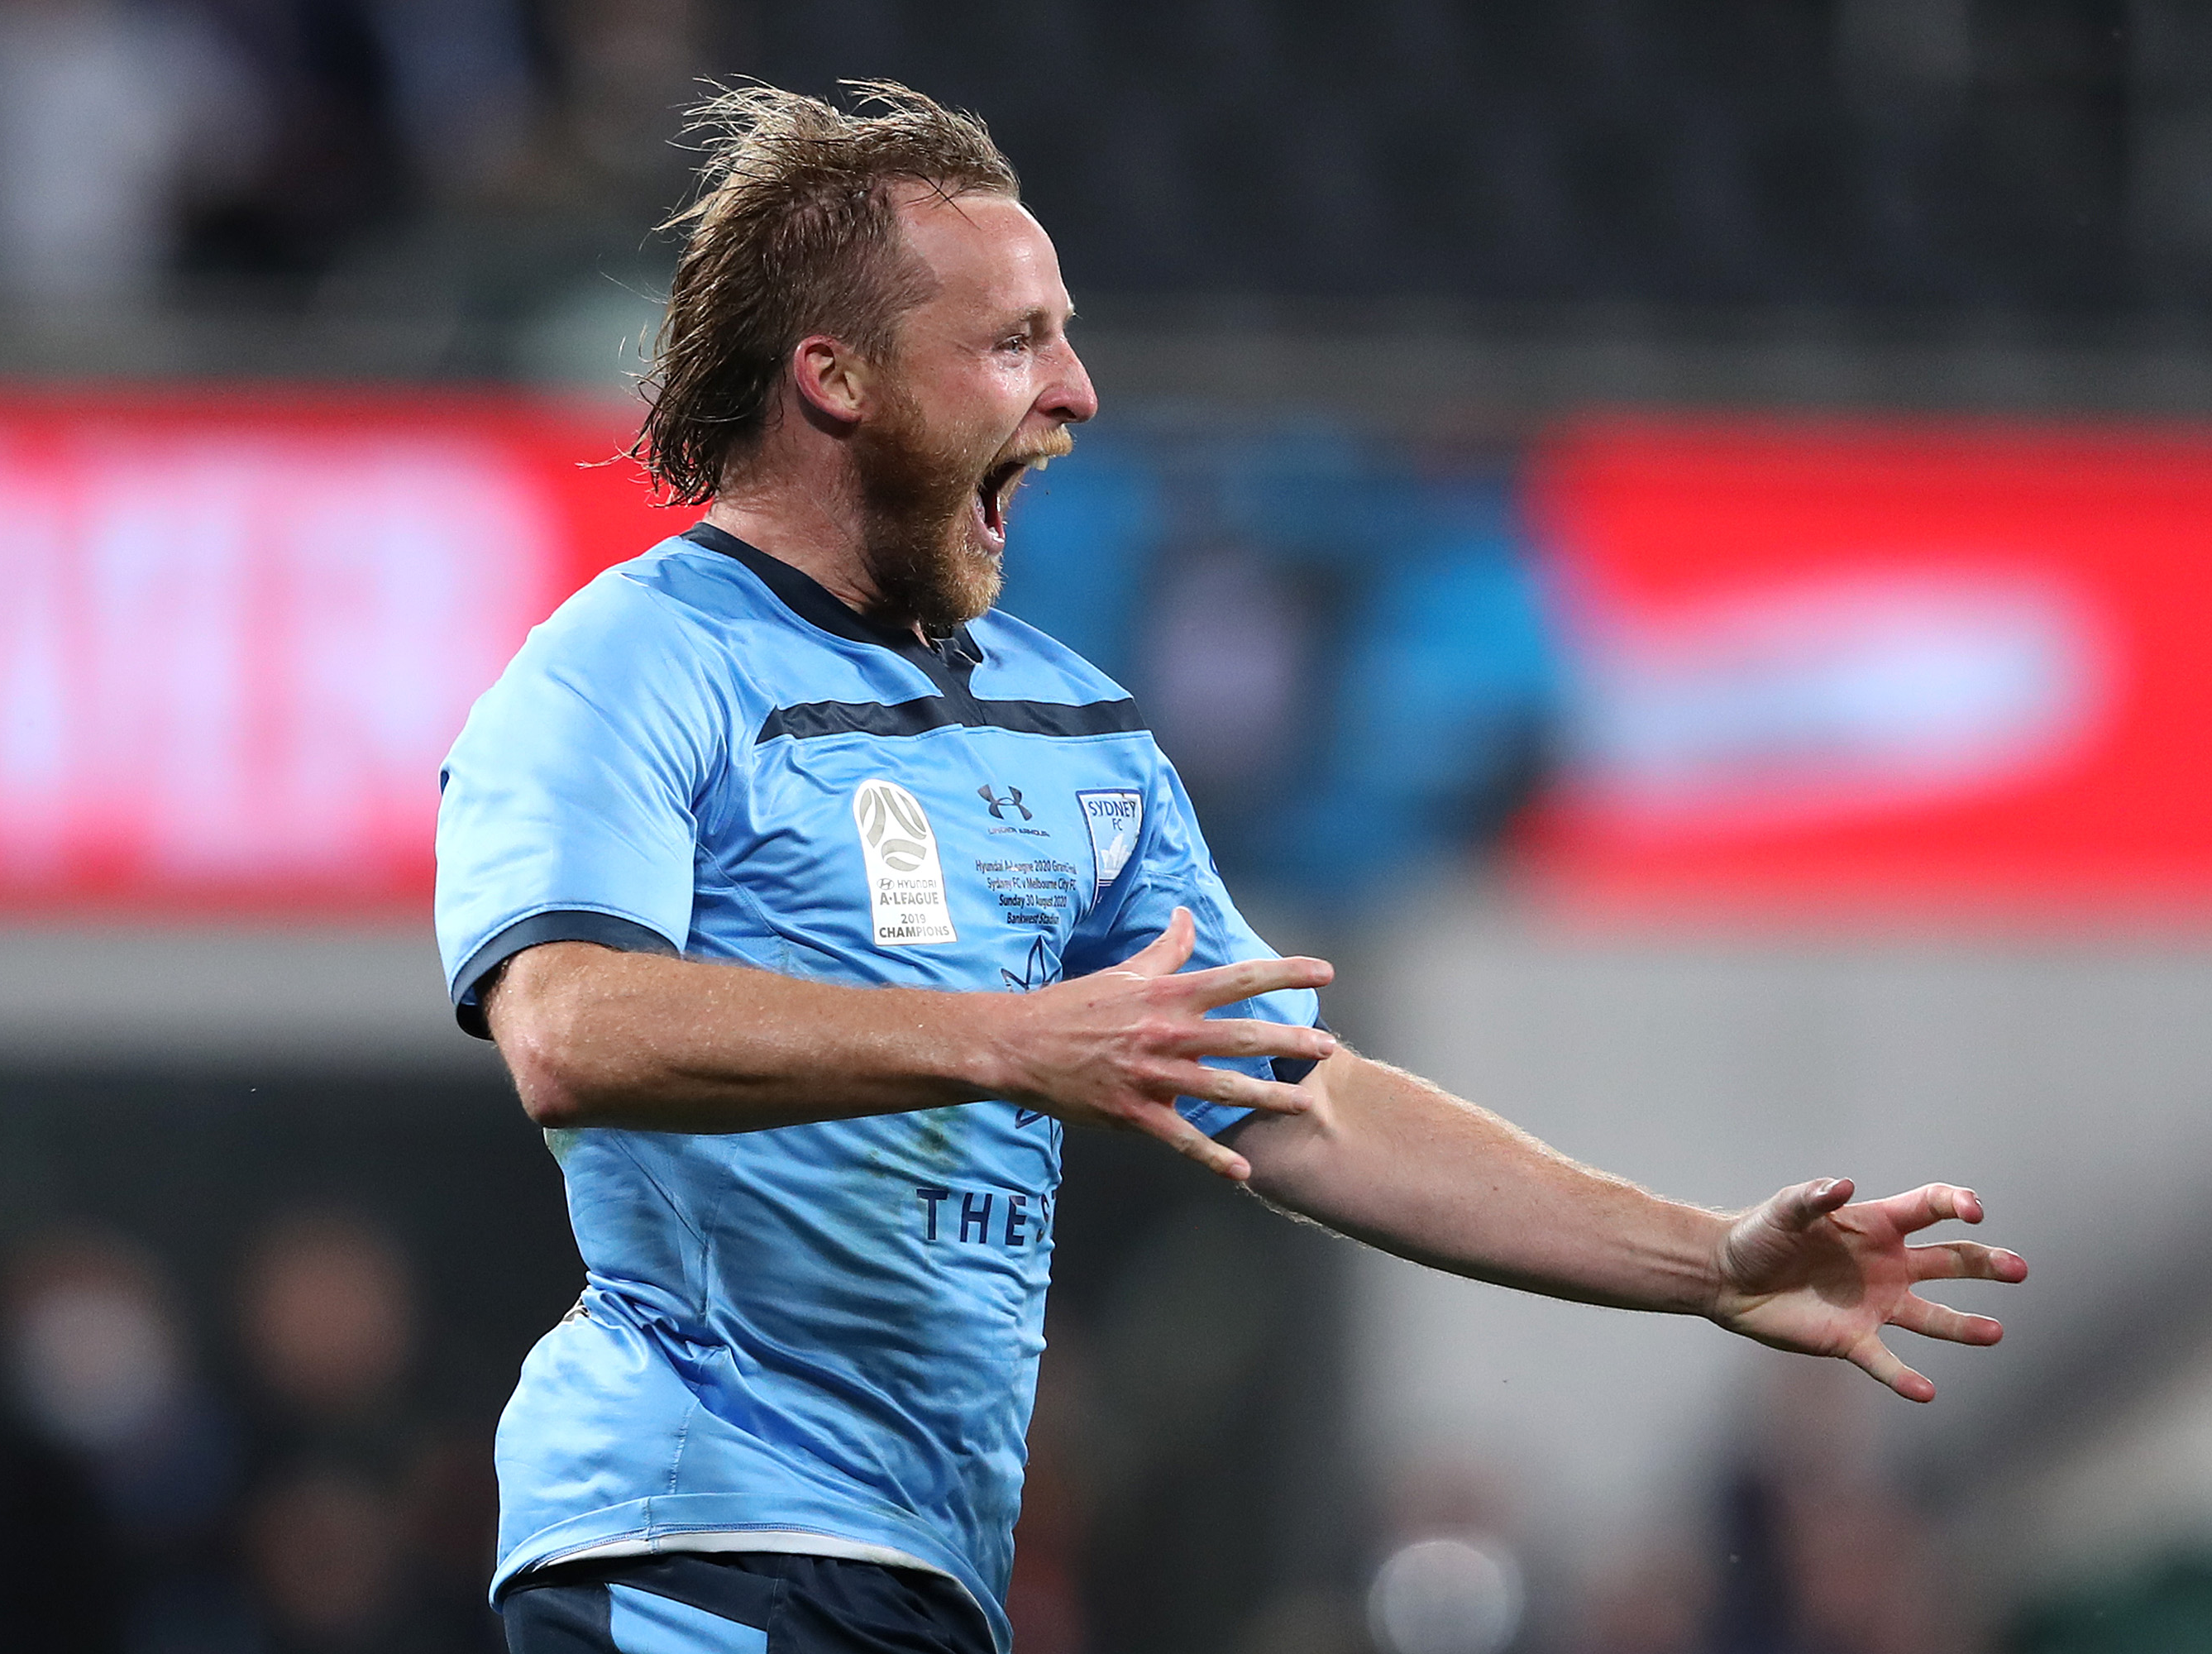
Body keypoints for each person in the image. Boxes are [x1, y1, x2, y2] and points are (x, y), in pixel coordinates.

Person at [432, 81, 2025, 1654]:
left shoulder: (1074, 726)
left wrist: (1708, 1261)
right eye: (1014, 342)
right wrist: (1010, 1043)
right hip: (693, 1540)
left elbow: (1295, 1101)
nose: (1077, 392)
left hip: (922, 1576)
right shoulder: (630, 664)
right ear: (836, 378)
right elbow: (571, 1030)